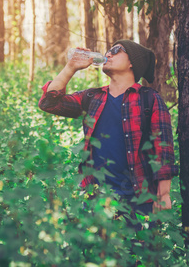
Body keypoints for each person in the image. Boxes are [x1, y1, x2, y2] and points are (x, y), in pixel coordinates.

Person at [38, 39, 178, 229]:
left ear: (132, 63)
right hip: (96, 198)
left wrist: (164, 195)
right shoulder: (92, 97)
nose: (108, 54)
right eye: (109, 50)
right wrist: (70, 68)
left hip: (138, 200)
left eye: (116, 50)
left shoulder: (149, 99)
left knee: (137, 256)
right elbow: (49, 103)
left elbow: (163, 148)